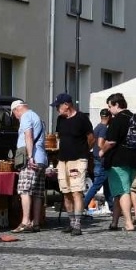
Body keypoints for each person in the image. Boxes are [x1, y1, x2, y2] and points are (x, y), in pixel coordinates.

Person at [51, 93, 93, 235]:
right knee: (66, 191)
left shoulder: (81, 118)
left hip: (78, 159)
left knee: (77, 191)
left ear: (66, 105)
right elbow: (58, 137)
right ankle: (70, 222)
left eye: (58, 106)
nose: (57, 109)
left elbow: (91, 137)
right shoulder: (60, 120)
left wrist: (84, 151)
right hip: (63, 159)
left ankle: (78, 224)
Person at [100, 93, 136, 231]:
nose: (109, 109)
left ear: (116, 105)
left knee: (123, 191)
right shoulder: (135, 117)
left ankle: (128, 223)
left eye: (110, 106)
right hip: (134, 159)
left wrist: (102, 151)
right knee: (120, 191)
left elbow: (111, 141)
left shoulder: (117, 120)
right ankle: (114, 222)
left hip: (118, 160)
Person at [11, 98, 46, 231]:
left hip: (31, 159)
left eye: (14, 114)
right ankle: (36, 222)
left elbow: (28, 136)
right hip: (42, 158)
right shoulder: (37, 116)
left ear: (17, 109)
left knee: (24, 190)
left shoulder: (25, 117)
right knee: (37, 192)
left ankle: (25, 222)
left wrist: (30, 157)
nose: (16, 117)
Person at [83, 108, 114, 214]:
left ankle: (112, 206)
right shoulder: (104, 128)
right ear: (109, 117)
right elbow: (101, 143)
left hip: (96, 158)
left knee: (106, 185)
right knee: (97, 185)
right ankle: (83, 204)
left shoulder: (97, 127)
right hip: (102, 160)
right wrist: (108, 148)